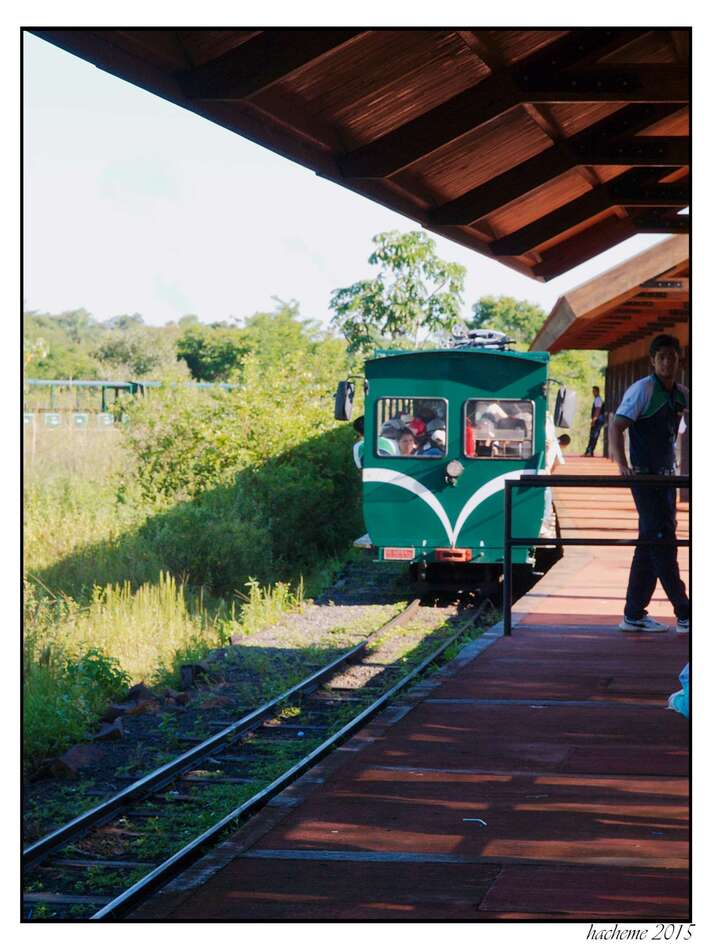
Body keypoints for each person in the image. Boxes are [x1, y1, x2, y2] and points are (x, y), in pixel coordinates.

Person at [609, 334, 689, 633]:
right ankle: (686, 612)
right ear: (652, 361)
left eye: (672, 356)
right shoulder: (642, 390)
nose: (667, 362)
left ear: (679, 360)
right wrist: (622, 465)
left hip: (667, 477)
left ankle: (633, 614)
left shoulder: (681, 394)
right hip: (644, 476)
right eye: (662, 357)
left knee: (651, 542)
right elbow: (617, 426)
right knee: (661, 541)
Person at [584, 386, 605, 456]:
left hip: (598, 420)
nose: (593, 393)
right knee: (593, 435)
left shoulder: (598, 399)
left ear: (597, 391)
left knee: (594, 436)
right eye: (593, 391)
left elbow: (597, 410)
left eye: (594, 391)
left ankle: (590, 451)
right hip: (598, 419)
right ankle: (589, 451)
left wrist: (594, 419)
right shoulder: (597, 399)